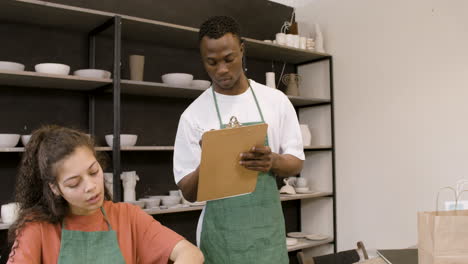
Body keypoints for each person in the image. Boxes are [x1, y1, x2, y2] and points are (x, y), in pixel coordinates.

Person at [173, 16, 304, 263]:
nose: (221, 69)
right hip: (221, 241)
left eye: (228, 59)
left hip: (267, 236)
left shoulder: (275, 101)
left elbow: (296, 161)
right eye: (211, 62)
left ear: (242, 50)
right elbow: (188, 192)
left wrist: (273, 161)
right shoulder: (193, 116)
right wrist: (209, 163)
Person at [7, 125, 204, 264]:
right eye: (74, 183)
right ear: (55, 188)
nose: (91, 186)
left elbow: (191, 254)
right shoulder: (37, 227)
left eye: (93, 172)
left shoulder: (127, 217)